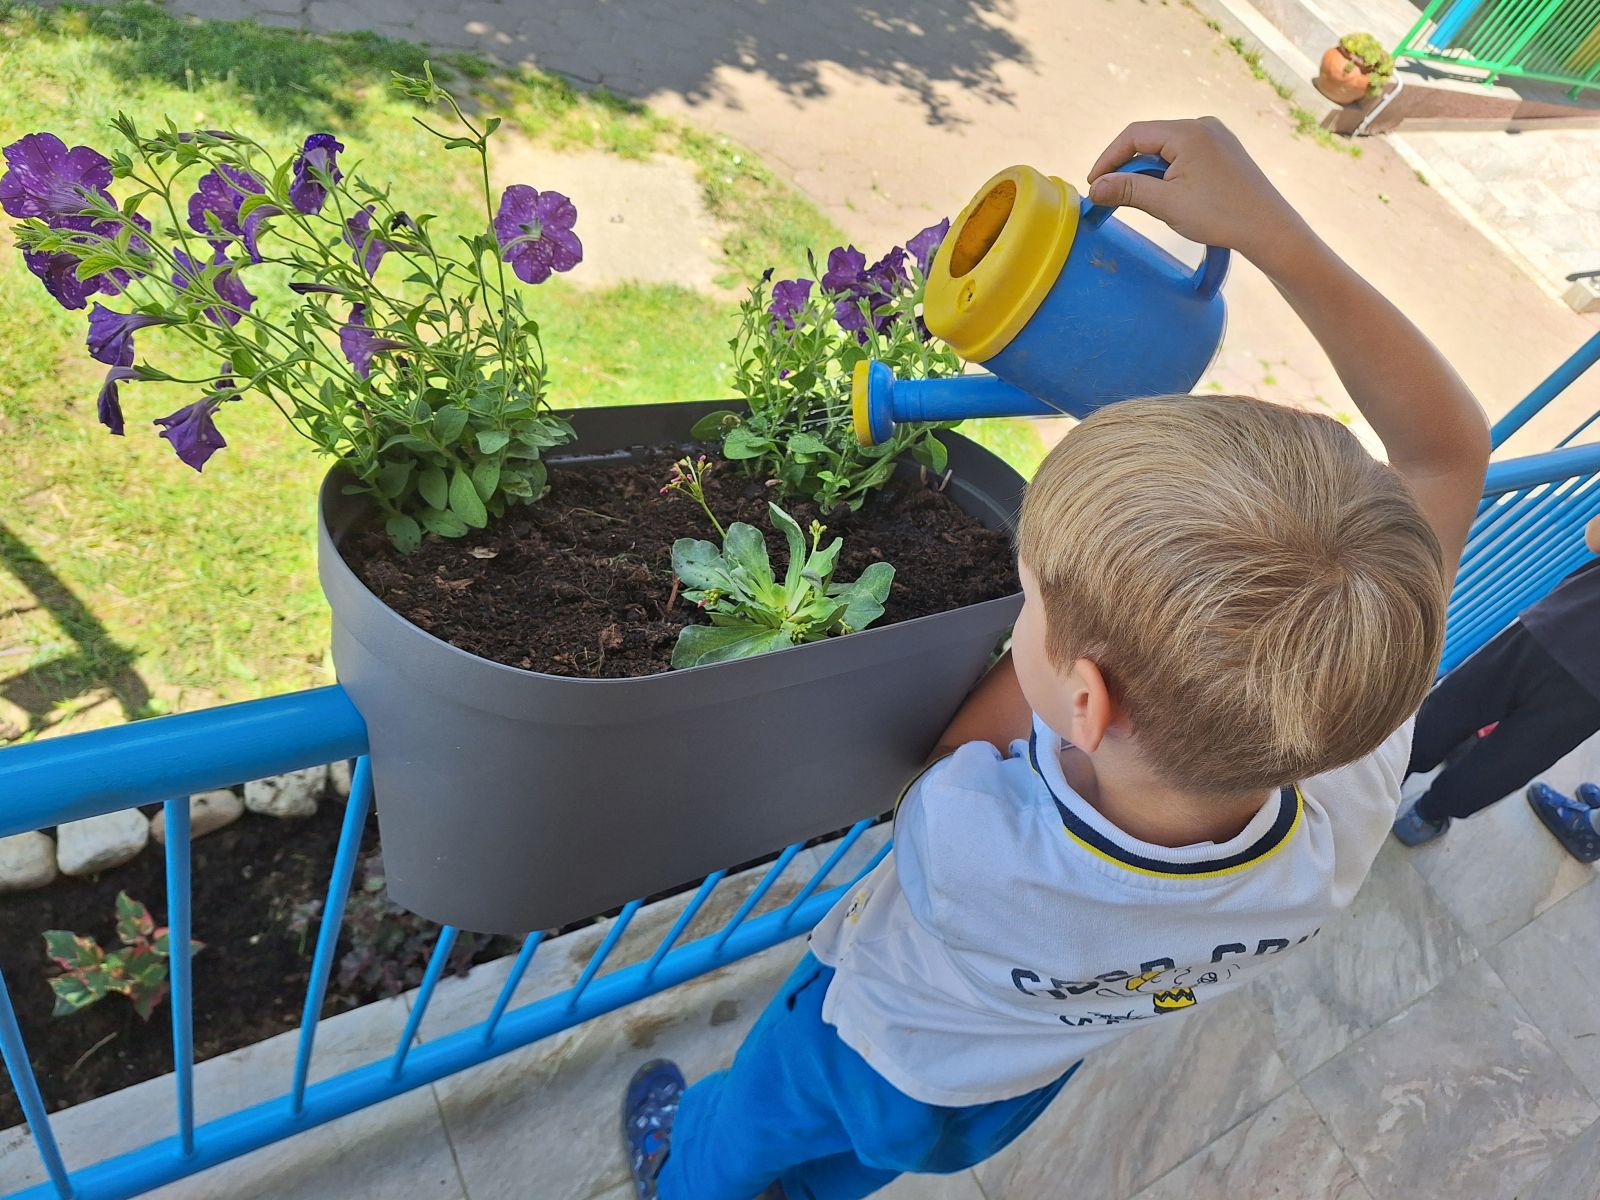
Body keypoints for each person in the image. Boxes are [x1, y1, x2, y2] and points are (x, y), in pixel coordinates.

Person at [621, 117, 1490, 1200]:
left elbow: (949, 750)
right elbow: (1445, 454)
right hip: (1015, 1081)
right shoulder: (1345, 786)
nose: (1011, 620)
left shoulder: (980, 847)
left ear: (1085, 698)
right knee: (856, 1173)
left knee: (744, 1137)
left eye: (1022, 605)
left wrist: (1277, 236)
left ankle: (678, 1170)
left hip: (867, 1044)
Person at [1393, 515, 1600, 852]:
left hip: (1561, 623)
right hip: (1592, 694)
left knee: (1456, 705)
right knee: (1511, 758)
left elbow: (1595, 536)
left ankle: (1385, 779)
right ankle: (1426, 816)